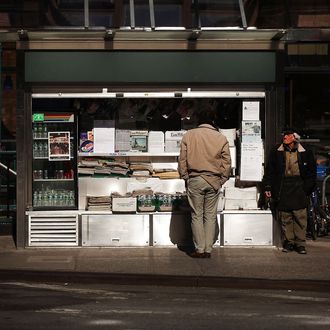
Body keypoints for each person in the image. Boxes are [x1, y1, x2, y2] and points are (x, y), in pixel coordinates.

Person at [178, 108, 231, 258]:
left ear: (198, 120)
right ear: (213, 121)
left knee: (196, 215)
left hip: (195, 179)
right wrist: (222, 179)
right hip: (214, 180)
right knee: (210, 215)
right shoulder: (221, 138)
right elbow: (227, 162)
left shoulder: (189, 135)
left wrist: (185, 177)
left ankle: (199, 249)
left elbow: (182, 159)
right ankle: (208, 249)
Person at [263, 129, 316, 254]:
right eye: (284, 135)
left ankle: (300, 244)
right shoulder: (277, 150)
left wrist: (306, 188)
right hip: (284, 186)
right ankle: (289, 242)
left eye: (288, 135)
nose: (285, 137)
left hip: (299, 187)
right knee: (285, 216)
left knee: (300, 216)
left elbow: (311, 172)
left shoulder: (305, 150)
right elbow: (270, 171)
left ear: (294, 137)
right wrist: (268, 187)